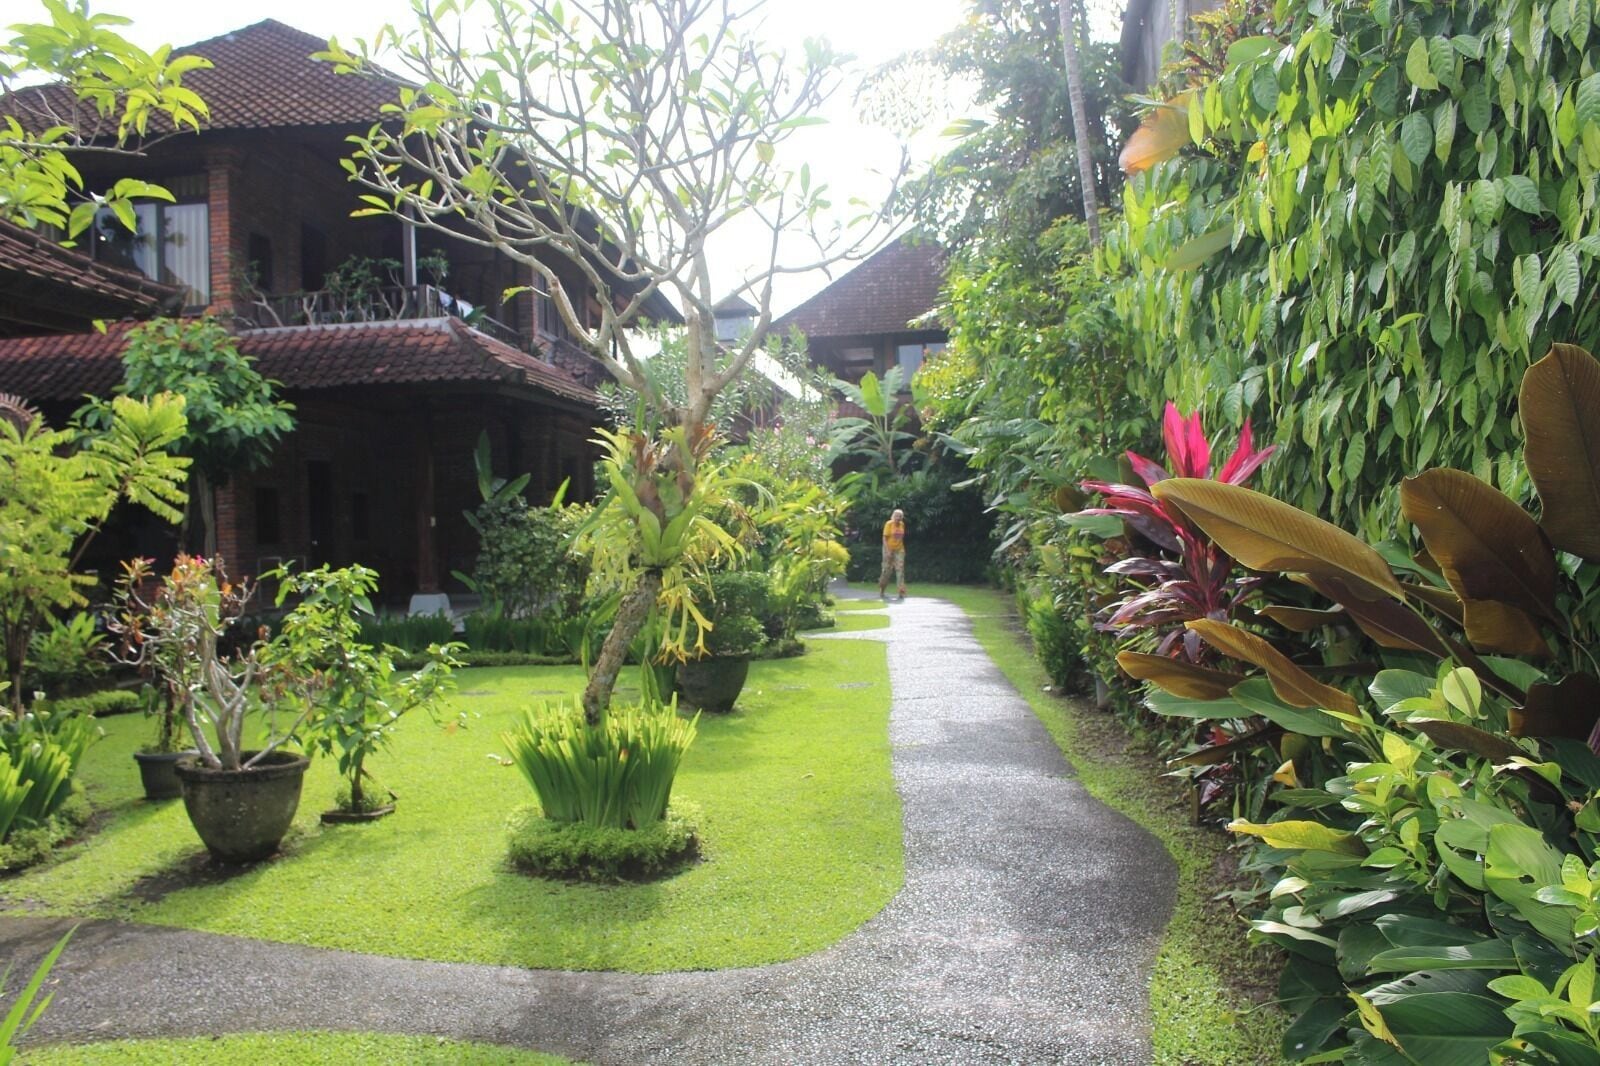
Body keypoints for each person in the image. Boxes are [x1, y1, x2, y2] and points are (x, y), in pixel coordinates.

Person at [879, 508, 907, 602]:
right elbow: (884, 538)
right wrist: (888, 551)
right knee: (887, 570)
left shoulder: (902, 525)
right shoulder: (889, 524)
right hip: (888, 549)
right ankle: (882, 590)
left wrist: (901, 550)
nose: (898, 518)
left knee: (900, 570)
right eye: (896, 516)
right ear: (893, 516)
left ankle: (901, 592)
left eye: (900, 516)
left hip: (899, 550)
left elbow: (900, 539)